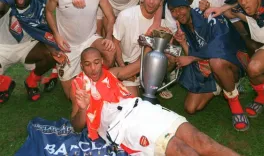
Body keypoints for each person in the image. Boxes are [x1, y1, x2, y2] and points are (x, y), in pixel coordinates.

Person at [70, 47, 240, 156]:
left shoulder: (112, 73)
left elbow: (141, 64)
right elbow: (76, 126)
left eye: (96, 62)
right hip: (124, 124)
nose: (93, 69)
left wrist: (155, 47)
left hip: (143, 109)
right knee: (184, 151)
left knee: (202, 141)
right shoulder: (79, 87)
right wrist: (84, 108)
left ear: (102, 62)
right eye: (87, 64)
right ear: (82, 66)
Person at [167, 0, 249, 131]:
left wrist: (192, 58)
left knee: (216, 62)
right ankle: (222, 83)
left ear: (188, 7)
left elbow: (220, 46)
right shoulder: (185, 24)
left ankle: (236, 107)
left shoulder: (207, 15)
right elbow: (192, 53)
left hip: (231, 61)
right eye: (173, 11)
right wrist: (182, 42)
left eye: (180, 8)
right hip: (209, 66)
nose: (177, 13)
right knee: (191, 108)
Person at [46, 0, 115, 99]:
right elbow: (48, 12)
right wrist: (56, 35)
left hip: (89, 39)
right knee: (72, 97)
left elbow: (110, 16)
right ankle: (80, 75)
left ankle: (95, 81)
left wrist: (108, 36)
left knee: (109, 51)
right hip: (67, 46)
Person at [0, 0, 66, 103]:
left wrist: (54, 50)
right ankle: (4, 83)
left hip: (28, 46)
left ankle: (32, 81)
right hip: (3, 47)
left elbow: (46, 31)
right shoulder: (6, 1)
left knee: (53, 54)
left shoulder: (40, 5)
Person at [113, 0, 165, 97]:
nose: (151, 2)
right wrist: (123, 66)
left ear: (161, 2)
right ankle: (122, 75)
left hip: (148, 66)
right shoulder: (126, 16)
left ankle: (156, 82)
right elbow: (115, 43)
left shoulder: (162, 22)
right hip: (127, 64)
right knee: (131, 101)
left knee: (167, 53)